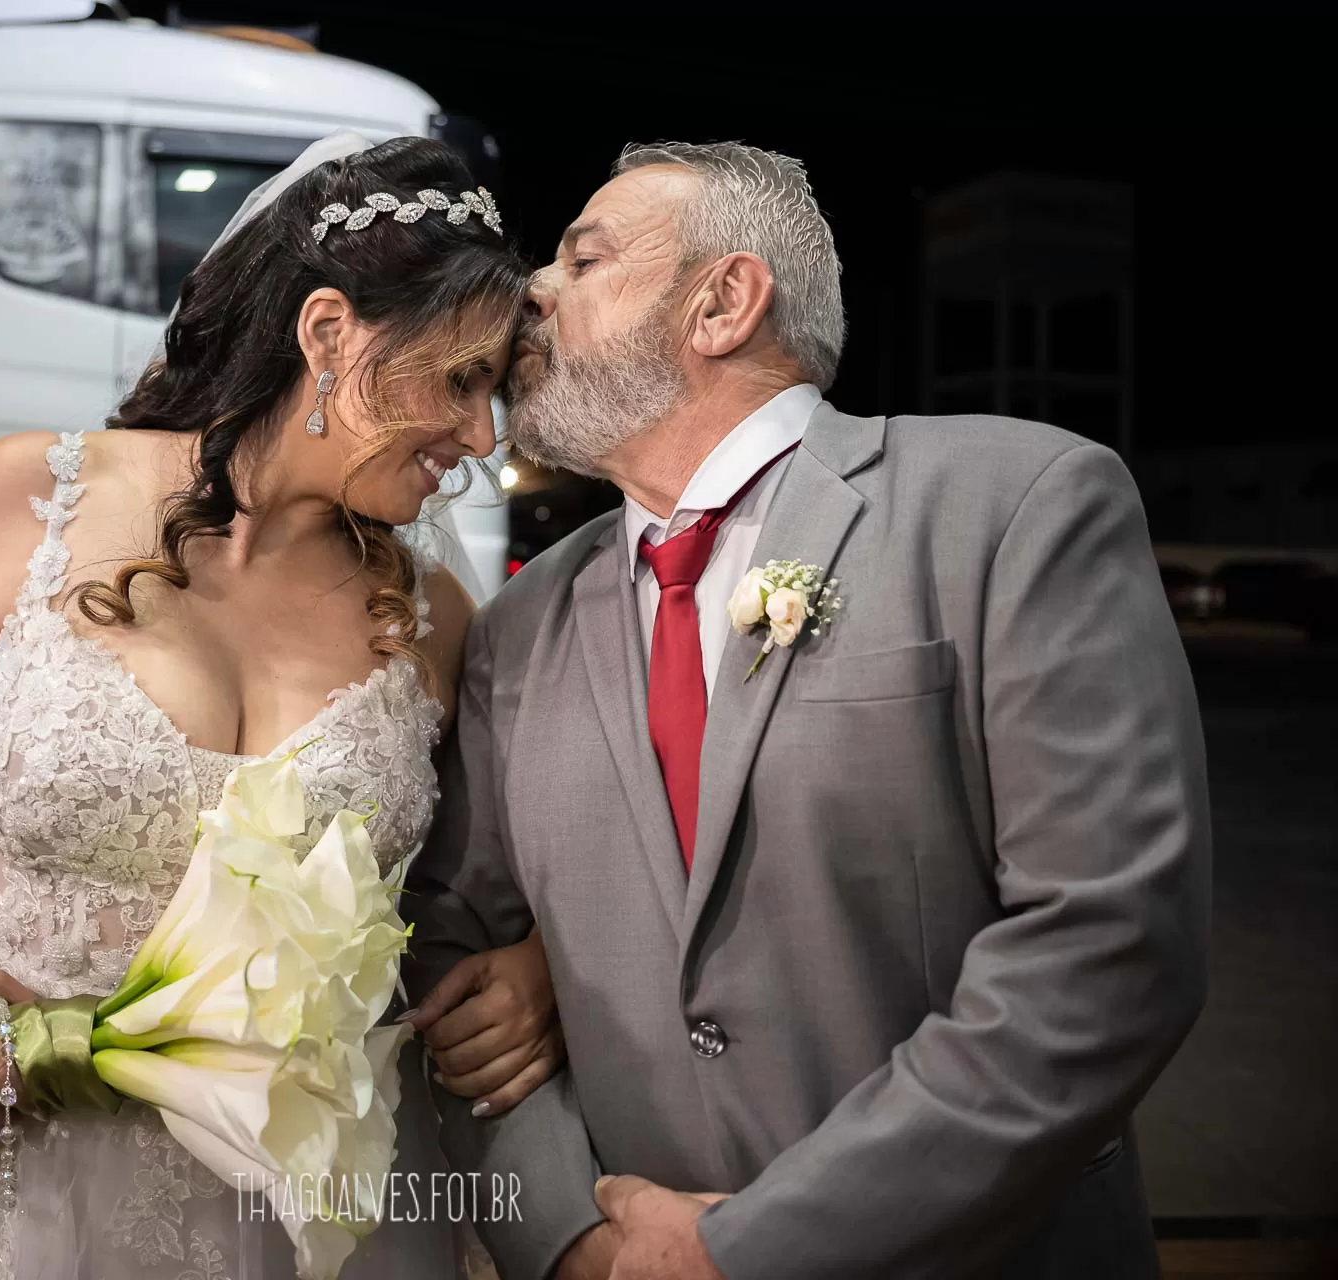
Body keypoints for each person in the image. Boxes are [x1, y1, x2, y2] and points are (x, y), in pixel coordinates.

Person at [0, 134, 562, 1280]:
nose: (481, 437)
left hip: (308, 1207)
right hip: (9, 1180)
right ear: (329, 332)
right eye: (461, 380)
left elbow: (482, 888)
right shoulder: (24, 501)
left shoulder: (433, 618)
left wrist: (533, 967)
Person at [401, 141, 1210, 1280]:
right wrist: (566, 1237)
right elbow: (452, 938)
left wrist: (747, 1250)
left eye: (583, 260)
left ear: (722, 303)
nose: (530, 291)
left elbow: (1109, 948)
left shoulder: (1012, 506)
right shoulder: (523, 623)